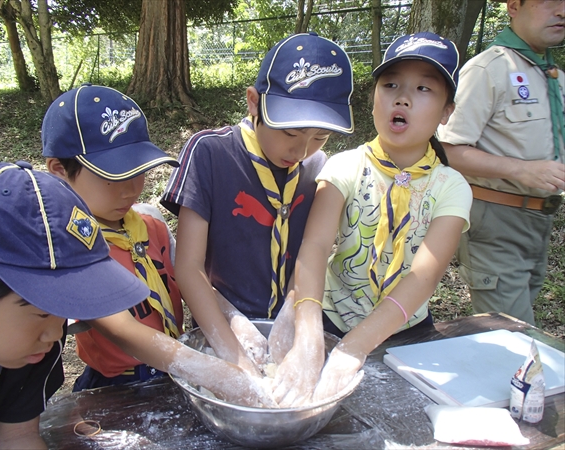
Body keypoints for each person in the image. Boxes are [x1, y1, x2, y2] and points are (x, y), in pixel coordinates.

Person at [42, 84, 275, 408]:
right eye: (112, 176)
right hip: (117, 390)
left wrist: (237, 324)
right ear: (59, 170)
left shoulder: (151, 227)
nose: (130, 190)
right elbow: (122, 330)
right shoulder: (71, 248)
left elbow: (193, 283)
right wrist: (215, 373)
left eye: (138, 172)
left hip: (174, 372)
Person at [272, 32, 473, 407]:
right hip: (330, 321)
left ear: (447, 111)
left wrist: (355, 349)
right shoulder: (345, 165)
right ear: (374, 98)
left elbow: (423, 277)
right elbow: (315, 247)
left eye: (424, 89)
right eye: (391, 84)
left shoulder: (452, 188)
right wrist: (310, 331)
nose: (402, 97)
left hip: (407, 332)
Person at [159, 32, 355, 376]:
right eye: (290, 133)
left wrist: (291, 319)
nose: (301, 151)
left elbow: (313, 253)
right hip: (219, 322)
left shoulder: (317, 166)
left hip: (291, 324)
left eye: (319, 137)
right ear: (253, 102)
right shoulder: (210, 153)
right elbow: (188, 267)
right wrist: (233, 349)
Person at [0, 161, 149, 449]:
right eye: (41, 310)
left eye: (64, 310)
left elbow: (14, 436)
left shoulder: (29, 351)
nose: (54, 335)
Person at [437, 0, 565, 325]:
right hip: (496, 221)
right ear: (513, 6)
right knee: (512, 336)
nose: (561, 11)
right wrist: (523, 170)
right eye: (548, 1)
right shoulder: (489, 70)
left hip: (538, 221)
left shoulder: (554, 78)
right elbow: (447, 150)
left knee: (510, 333)